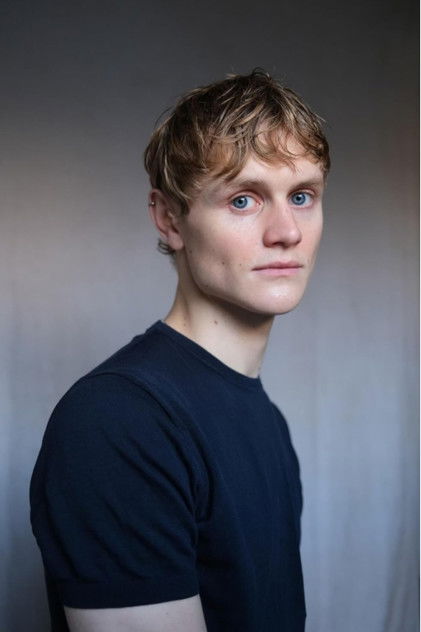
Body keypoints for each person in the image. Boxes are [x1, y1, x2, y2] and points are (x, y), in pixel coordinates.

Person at [30, 69, 330, 632]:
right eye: (243, 199)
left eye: (301, 196)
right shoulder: (118, 422)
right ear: (170, 219)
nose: (286, 231)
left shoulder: (269, 421)